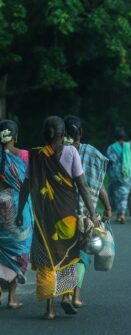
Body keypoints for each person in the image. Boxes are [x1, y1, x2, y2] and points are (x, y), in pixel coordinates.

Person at [16, 116, 99, 320]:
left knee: (47, 260)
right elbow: (82, 186)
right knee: (67, 256)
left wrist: (19, 212)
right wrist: (93, 213)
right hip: (67, 216)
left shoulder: (36, 156)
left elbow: (26, 186)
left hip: (44, 219)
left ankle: (50, 309)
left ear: (44, 133)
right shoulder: (72, 152)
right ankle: (65, 297)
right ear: (63, 134)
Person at [64, 115, 112, 308]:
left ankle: (65, 295)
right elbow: (99, 186)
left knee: (65, 255)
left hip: (61, 214)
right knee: (82, 256)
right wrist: (106, 208)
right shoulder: (93, 154)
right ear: (81, 133)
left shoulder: (55, 153)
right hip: (86, 214)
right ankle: (75, 295)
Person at [0, 120, 33, 309]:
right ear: (16, 136)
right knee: (16, 251)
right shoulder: (25, 156)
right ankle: (12, 298)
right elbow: (28, 184)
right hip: (15, 207)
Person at [107, 128, 131, 223]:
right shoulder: (128, 146)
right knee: (124, 195)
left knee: (117, 194)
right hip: (126, 173)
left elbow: (109, 161)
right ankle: (121, 213)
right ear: (124, 137)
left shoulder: (111, 147)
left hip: (115, 174)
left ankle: (119, 214)